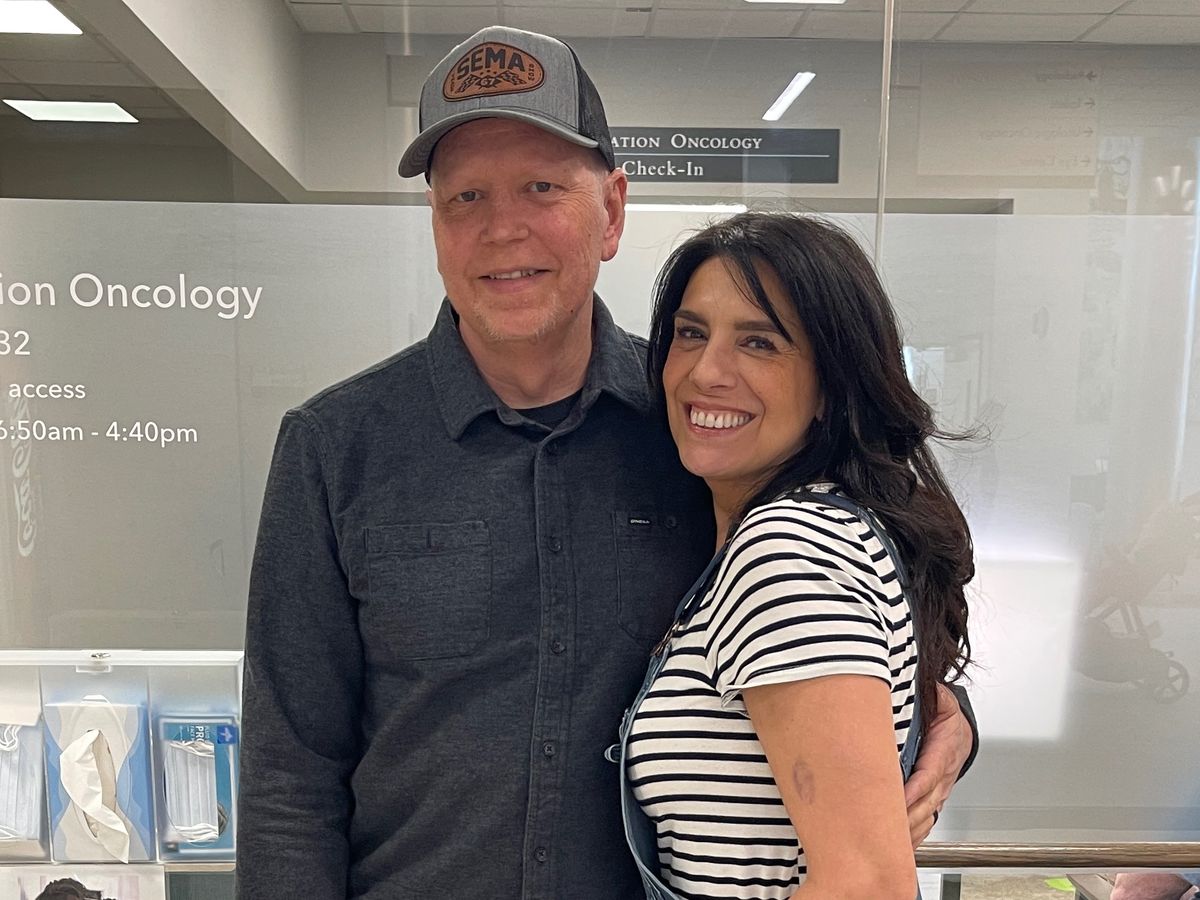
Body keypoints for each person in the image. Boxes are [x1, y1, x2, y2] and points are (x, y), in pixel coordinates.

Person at [236, 26, 977, 899]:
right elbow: (290, 777)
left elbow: (834, 624)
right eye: (465, 196)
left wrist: (951, 719)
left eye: (541, 187)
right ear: (435, 225)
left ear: (613, 211)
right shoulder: (335, 447)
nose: (502, 227)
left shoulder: (700, 434)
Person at [621, 212, 975, 899]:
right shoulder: (817, 527)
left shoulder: (785, 551)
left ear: (831, 387)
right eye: (691, 333)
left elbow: (865, 886)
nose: (706, 371)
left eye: (759, 342)